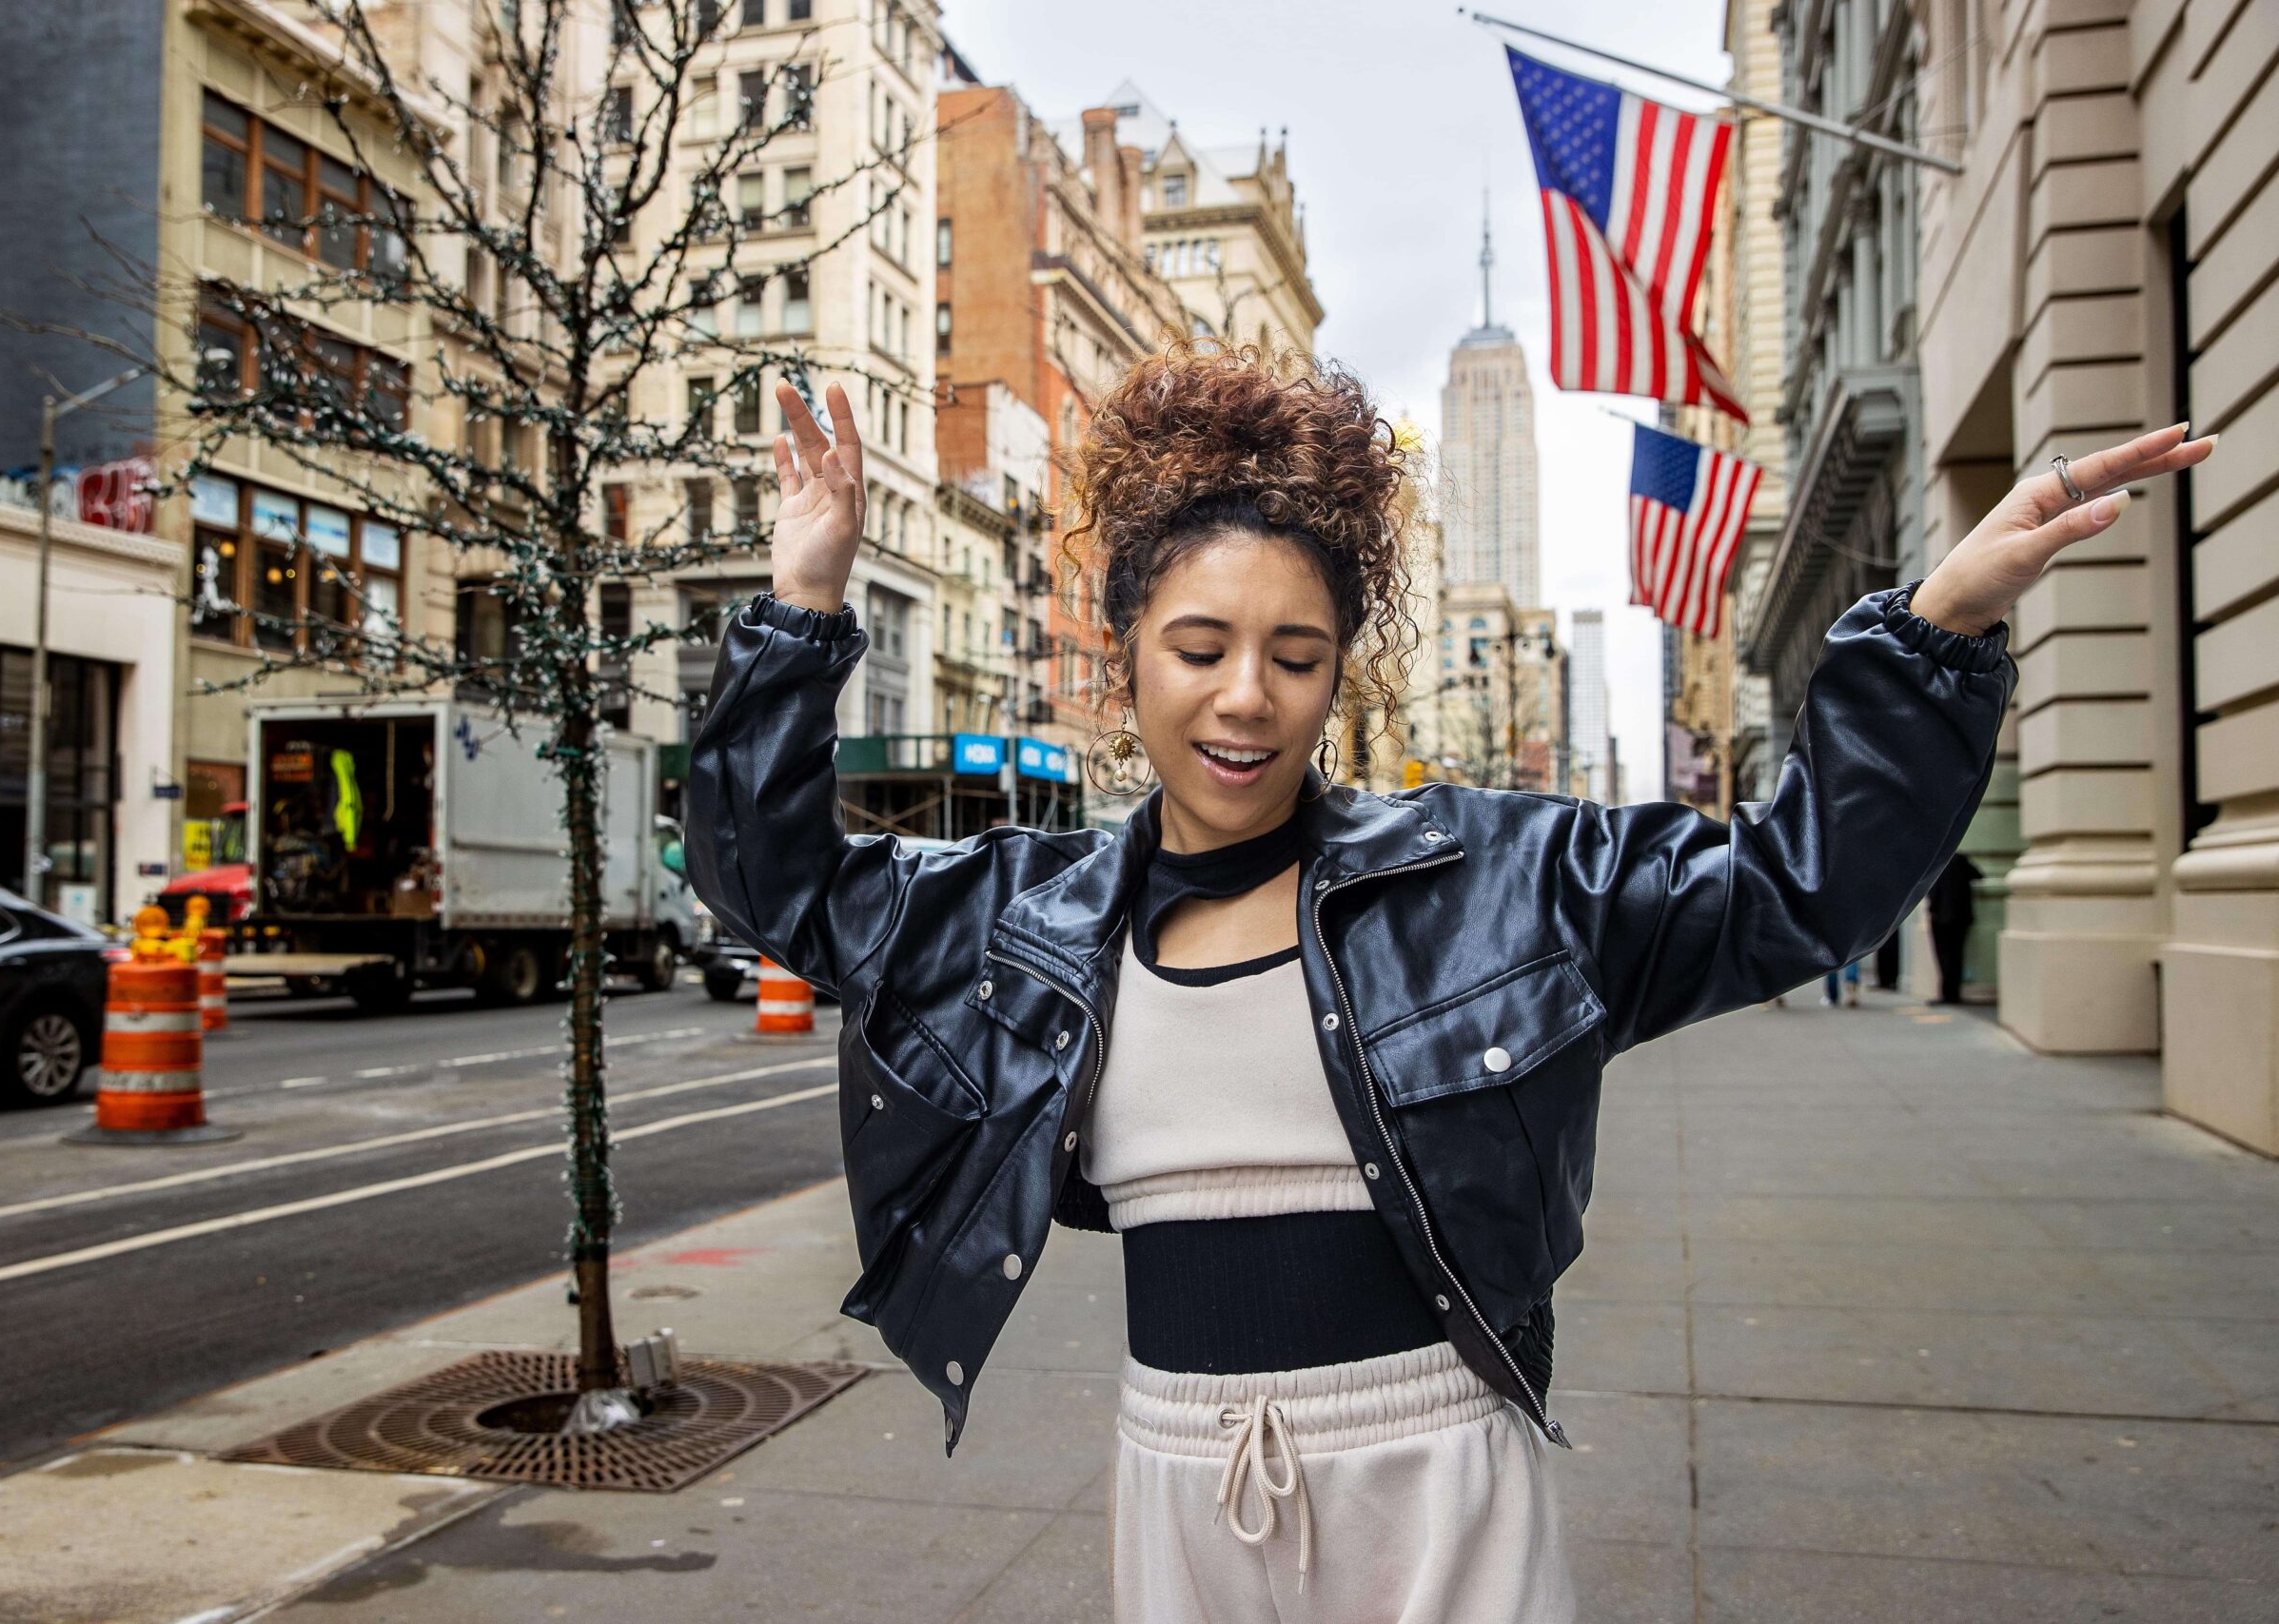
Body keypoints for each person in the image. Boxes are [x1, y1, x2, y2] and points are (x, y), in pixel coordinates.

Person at [682, 342, 2210, 1621]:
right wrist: (804, 602)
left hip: (1436, 1460)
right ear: (1127, 659)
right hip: (1177, 1469)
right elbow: (775, 881)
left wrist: (1935, 631)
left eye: (1296, 652)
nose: (1245, 695)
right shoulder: (1029, 910)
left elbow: (1793, 884)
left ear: (1341, 672)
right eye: (1199, 644)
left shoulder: (1504, 876)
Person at [1928, 851, 1984, 1004]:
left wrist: (1932, 908)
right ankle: (1954, 994)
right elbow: (1979, 875)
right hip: (1960, 917)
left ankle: (1947, 994)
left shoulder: (1936, 860)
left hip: (1941, 917)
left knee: (1944, 957)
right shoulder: (1961, 860)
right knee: (1956, 956)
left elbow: (1932, 891)